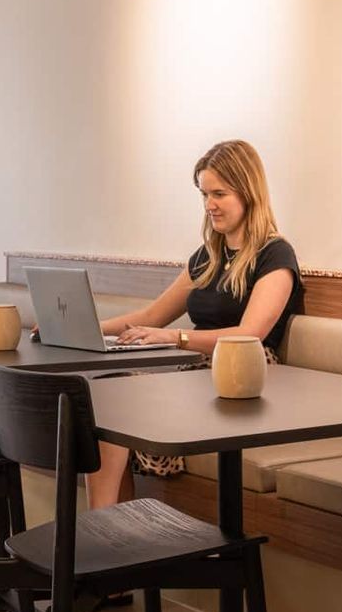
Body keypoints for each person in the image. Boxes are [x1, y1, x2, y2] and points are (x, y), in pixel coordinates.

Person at [93, 139, 304, 509]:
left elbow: (249, 335)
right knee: (107, 394)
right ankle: (107, 529)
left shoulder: (275, 255)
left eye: (219, 194)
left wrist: (177, 337)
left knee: (116, 398)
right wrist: (90, 328)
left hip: (247, 382)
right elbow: (151, 317)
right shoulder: (209, 256)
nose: (209, 205)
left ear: (249, 193)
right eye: (205, 194)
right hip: (198, 376)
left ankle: (99, 531)